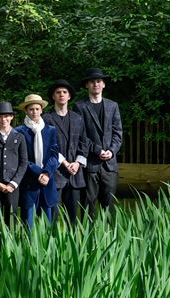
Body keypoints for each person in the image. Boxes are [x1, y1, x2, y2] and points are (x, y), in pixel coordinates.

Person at [73, 68, 123, 218]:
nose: (96, 84)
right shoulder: (79, 106)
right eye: (92, 82)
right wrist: (97, 150)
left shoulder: (113, 106)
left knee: (109, 209)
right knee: (88, 208)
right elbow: (80, 136)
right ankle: (88, 240)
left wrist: (112, 151)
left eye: (98, 81)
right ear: (87, 85)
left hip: (109, 166)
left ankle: (109, 239)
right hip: (90, 164)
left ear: (103, 85)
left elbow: (118, 133)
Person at [42, 80, 88, 225]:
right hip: (56, 173)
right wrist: (65, 162)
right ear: (53, 97)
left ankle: (72, 245)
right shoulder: (46, 119)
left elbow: (84, 142)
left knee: (72, 218)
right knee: (53, 217)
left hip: (74, 174)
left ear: (69, 96)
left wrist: (78, 162)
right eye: (58, 92)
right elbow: (47, 146)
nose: (61, 94)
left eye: (64, 92)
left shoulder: (77, 118)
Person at [15, 94, 60, 229]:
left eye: (37, 109)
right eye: (31, 109)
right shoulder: (19, 131)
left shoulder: (50, 130)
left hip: (47, 180)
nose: (34, 112)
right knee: (28, 222)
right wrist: (38, 172)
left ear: (41, 110)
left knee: (47, 222)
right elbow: (21, 158)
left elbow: (54, 154)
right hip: (29, 179)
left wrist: (46, 173)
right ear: (26, 111)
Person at [0, 101, 28, 244]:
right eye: (0, 117)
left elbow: (23, 162)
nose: (4, 120)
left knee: (12, 216)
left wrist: (14, 183)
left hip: (12, 185)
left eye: (7, 116)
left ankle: (11, 247)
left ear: (11, 118)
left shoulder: (19, 137)